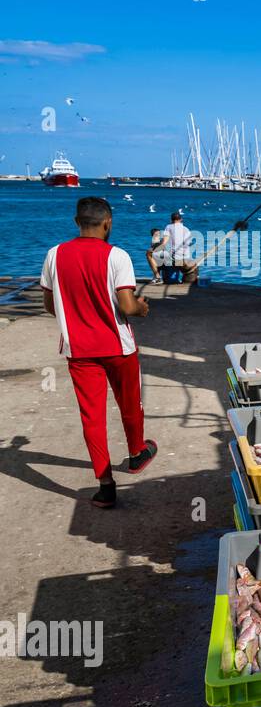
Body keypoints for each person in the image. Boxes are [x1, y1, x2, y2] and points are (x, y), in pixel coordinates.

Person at [40, 197, 158, 508]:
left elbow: (50, 305)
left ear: (76, 222)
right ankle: (136, 454)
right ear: (107, 223)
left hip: (79, 350)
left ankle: (105, 486)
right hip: (118, 347)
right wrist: (143, 308)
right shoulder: (117, 256)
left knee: (92, 416)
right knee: (130, 403)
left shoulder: (54, 254)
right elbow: (128, 305)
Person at [162, 211, 196, 281]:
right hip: (185, 259)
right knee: (193, 266)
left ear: (171, 220)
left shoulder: (168, 227)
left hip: (174, 259)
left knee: (154, 254)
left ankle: (157, 277)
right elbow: (188, 244)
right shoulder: (186, 229)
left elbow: (164, 242)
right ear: (181, 219)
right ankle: (187, 280)